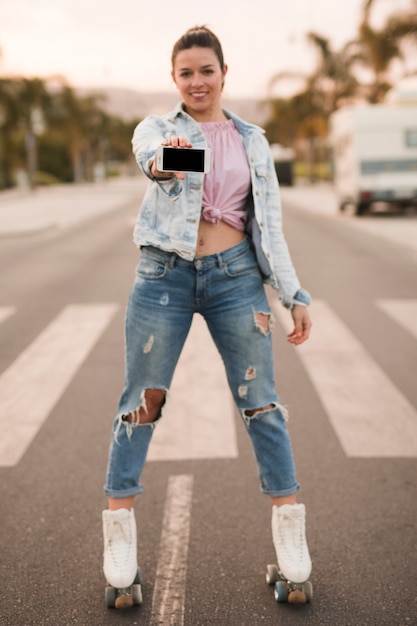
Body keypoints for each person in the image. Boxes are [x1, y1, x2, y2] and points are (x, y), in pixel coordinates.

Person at [102, 25, 313, 605]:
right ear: (175, 79)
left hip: (236, 278)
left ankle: (291, 536)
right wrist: (194, 149)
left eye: (207, 71)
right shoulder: (158, 128)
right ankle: (119, 539)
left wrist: (291, 293)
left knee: (263, 403)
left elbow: (268, 224)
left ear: (224, 73)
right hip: (163, 277)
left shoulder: (255, 140)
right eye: (186, 73)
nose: (198, 81)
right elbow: (153, 162)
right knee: (141, 402)